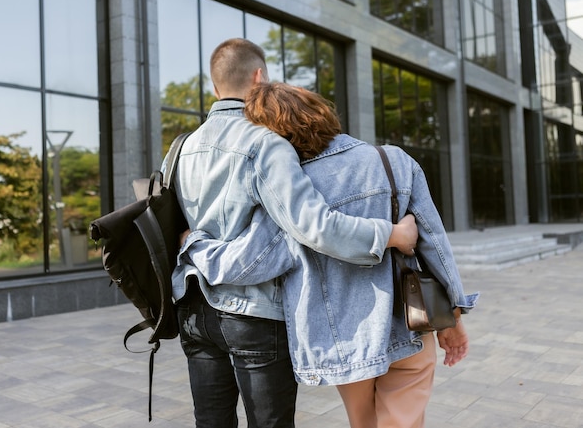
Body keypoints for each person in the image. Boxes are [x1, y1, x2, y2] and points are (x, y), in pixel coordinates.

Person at [177, 82, 479, 428]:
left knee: (362, 423)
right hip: (409, 323)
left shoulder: (292, 193)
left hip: (344, 341)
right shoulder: (394, 160)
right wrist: (453, 316)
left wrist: (193, 244)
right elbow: (435, 245)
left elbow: (250, 263)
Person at [162, 38, 419, 428]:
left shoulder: (181, 148)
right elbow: (316, 227)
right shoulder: (265, 143)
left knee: (210, 422)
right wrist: (391, 235)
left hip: (193, 308)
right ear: (259, 77)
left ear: (215, 87)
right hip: (253, 314)